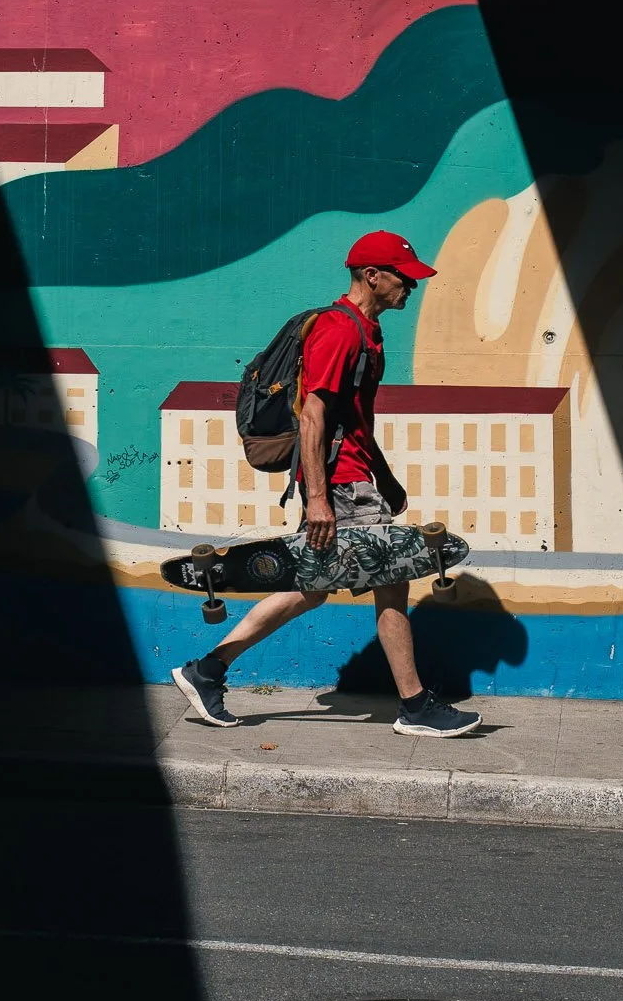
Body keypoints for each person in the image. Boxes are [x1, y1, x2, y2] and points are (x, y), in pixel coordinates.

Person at [170, 229, 484, 738]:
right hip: (339, 484)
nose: (412, 287)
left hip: (355, 479)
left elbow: (353, 420)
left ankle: (206, 671)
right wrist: (319, 499)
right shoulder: (340, 331)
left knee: (311, 589)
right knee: (392, 582)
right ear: (372, 276)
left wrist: (385, 480)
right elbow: (314, 415)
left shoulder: (367, 330)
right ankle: (415, 706)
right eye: (405, 278)